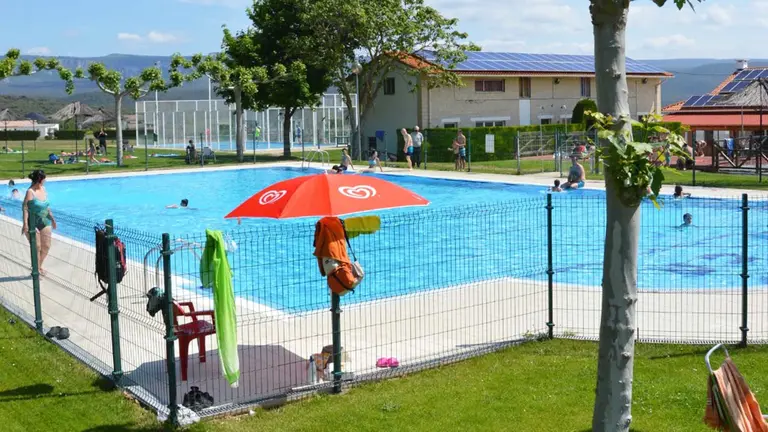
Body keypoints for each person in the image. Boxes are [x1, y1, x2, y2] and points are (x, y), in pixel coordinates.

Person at [22, 170, 56, 276]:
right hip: (32, 222)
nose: (45, 180)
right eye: (44, 178)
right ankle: (36, 270)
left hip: (45, 221)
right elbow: (25, 208)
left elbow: (47, 206)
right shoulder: (30, 192)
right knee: (37, 247)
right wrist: (26, 225)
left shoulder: (44, 189)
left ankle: (38, 266)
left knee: (46, 246)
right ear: (40, 179)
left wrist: (53, 219)